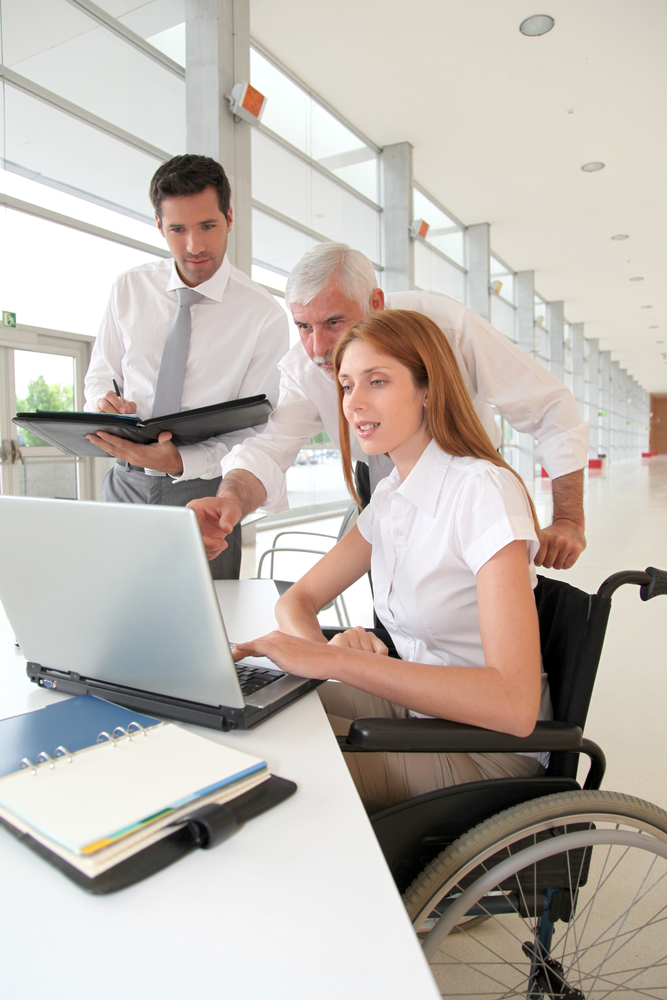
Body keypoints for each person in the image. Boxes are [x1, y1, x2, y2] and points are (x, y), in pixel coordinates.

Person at [232, 310, 552, 813]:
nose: (354, 403)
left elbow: (512, 706)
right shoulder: (390, 495)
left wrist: (339, 661)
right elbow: (299, 599)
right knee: (251, 714)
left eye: (377, 381)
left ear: (428, 388)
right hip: (421, 713)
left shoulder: (481, 491)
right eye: (345, 385)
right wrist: (321, 652)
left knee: (274, 765)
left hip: (486, 750)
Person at [188, 244, 589, 572]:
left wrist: (569, 519)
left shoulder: (448, 327)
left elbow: (550, 408)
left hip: (467, 478)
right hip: (382, 491)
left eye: (333, 322)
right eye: (304, 327)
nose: (319, 349)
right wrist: (230, 502)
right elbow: (270, 449)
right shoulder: (305, 367)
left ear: (375, 302)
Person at [83, 154, 289, 578]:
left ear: (229, 218)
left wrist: (178, 462)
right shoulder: (129, 288)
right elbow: (99, 374)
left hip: (206, 493)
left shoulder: (263, 314)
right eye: (178, 229)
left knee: (206, 627)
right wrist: (101, 402)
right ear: (159, 225)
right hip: (125, 484)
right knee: (116, 615)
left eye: (207, 226)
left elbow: (256, 429)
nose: (194, 245)